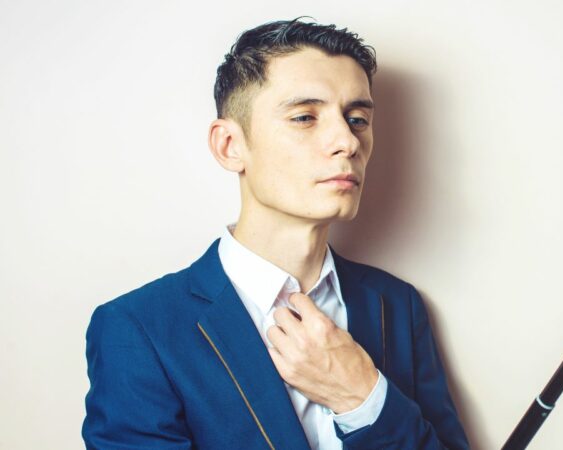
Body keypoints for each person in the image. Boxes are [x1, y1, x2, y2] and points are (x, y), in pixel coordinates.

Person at [82, 18, 469, 450]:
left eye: (358, 119)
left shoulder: (396, 304)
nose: (347, 142)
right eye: (305, 117)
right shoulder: (138, 329)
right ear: (230, 146)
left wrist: (362, 398)